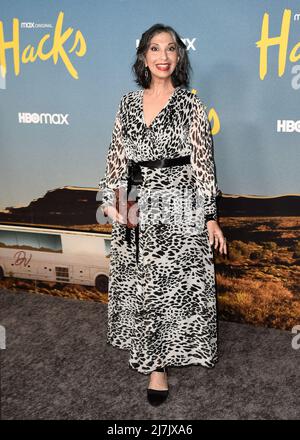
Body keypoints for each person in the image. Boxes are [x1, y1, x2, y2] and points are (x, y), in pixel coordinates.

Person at [98, 23, 227, 406]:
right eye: (155, 49)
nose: (163, 56)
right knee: (146, 290)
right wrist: (113, 202)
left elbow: (203, 165)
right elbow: (116, 159)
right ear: (143, 56)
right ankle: (156, 366)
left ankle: (168, 354)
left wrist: (210, 217)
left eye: (171, 49)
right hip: (138, 206)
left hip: (180, 206)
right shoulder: (126, 103)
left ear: (179, 56)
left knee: (174, 290)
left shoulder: (191, 105)